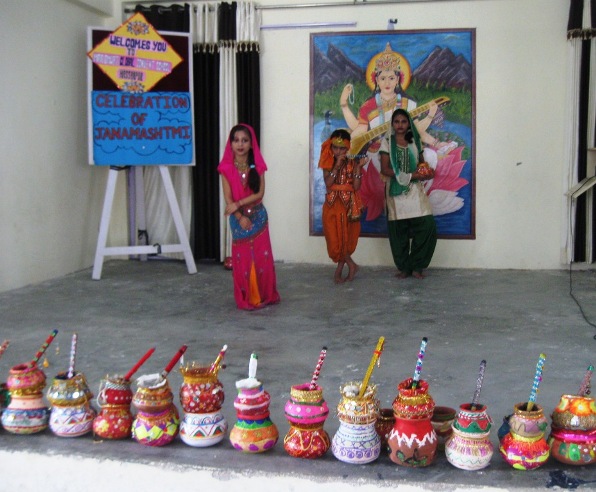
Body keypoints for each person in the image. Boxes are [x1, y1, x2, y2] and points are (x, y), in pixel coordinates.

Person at [218, 124, 280, 309]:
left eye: (244, 140)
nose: (240, 144)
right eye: (236, 140)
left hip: (259, 216)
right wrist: (239, 216)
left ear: (251, 144)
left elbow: (259, 193)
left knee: (262, 258)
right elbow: (228, 198)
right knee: (243, 260)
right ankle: (248, 297)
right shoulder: (225, 168)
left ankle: (264, 295)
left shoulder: (258, 166)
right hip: (238, 219)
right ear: (231, 144)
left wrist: (238, 204)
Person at [379, 109, 437, 279]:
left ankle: (417, 266)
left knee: (427, 226)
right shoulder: (387, 142)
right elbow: (385, 169)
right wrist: (412, 175)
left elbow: (421, 165)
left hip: (415, 191)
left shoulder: (414, 141)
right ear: (392, 124)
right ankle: (404, 268)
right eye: (396, 122)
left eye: (403, 121)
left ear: (409, 123)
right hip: (396, 192)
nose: (400, 125)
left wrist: (427, 172)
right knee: (399, 231)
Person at [318, 129, 366, 283]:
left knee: (344, 238)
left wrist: (358, 168)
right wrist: (336, 166)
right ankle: (351, 265)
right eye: (335, 147)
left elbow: (356, 186)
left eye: (342, 148)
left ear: (348, 148)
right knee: (334, 240)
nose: (338, 151)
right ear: (331, 146)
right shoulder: (327, 161)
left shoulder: (353, 162)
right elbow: (328, 183)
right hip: (332, 204)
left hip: (348, 206)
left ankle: (341, 270)